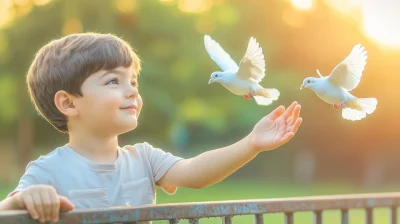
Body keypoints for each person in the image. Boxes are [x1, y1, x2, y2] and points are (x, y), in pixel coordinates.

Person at [0, 33, 302, 223]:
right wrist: (22, 199)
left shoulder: (144, 158)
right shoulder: (48, 171)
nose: (132, 91)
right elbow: (5, 211)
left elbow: (195, 173)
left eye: (133, 82)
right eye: (112, 81)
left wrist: (252, 143)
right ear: (68, 104)